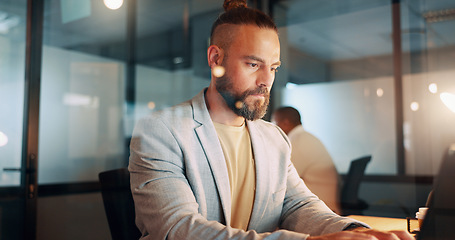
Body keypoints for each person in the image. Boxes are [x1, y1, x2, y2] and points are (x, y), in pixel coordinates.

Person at [128, 0, 414, 239]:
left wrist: (356, 232)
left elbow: (298, 206)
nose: (266, 81)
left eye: (274, 67)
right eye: (253, 64)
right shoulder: (161, 131)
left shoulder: (274, 137)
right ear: (215, 58)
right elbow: (177, 230)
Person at [272, 106, 341, 214]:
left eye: (274, 123)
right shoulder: (307, 137)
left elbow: (279, 181)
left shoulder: (297, 142)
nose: (273, 128)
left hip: (322, 211)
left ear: (286, 123)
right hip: (325, 205)